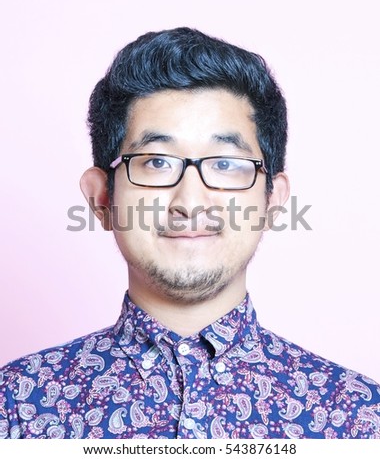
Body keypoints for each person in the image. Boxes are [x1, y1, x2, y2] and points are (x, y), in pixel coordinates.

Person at [1, 27, 379, 440]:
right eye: (157, 162)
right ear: (102, 199)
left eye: (226, 164)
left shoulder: (359, 417)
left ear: (272, 200)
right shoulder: (16, 407)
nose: (191, 201)